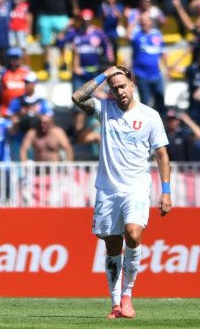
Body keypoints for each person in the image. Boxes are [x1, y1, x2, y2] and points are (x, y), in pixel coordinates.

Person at [72, 65, 171, 319]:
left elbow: (161, 154)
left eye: (122, 86)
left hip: (136, 186)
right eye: (114, 88)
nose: (119, 91)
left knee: (133, 233)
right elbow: (77, 97)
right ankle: (116, 303)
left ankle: (128, 294)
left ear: (132, 85)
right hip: (107, 189)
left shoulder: (150, 116)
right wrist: (105, 74)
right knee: (112, 246)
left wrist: (166, 190)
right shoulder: (104, 110)